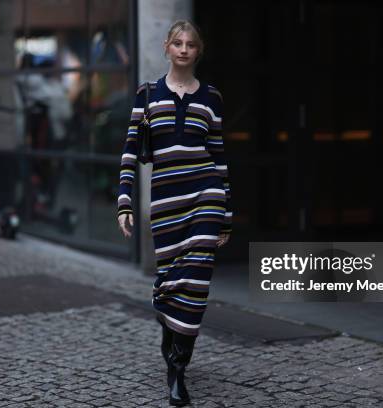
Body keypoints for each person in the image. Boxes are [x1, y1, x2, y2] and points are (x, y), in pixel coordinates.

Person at [116, 20, 233, 406]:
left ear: (199, 51)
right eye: (178, 43)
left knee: (197, 279)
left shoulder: (212, 97)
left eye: (191, 45)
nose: (184, 49)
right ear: (167, 47)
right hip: (166, 202)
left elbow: (218, 156)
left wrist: (226, 213)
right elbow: (131, 152)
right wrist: (125, 202)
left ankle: (178, 369)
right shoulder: (147, 94)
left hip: (206, 195)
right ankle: (168, 323)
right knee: (171, 278)